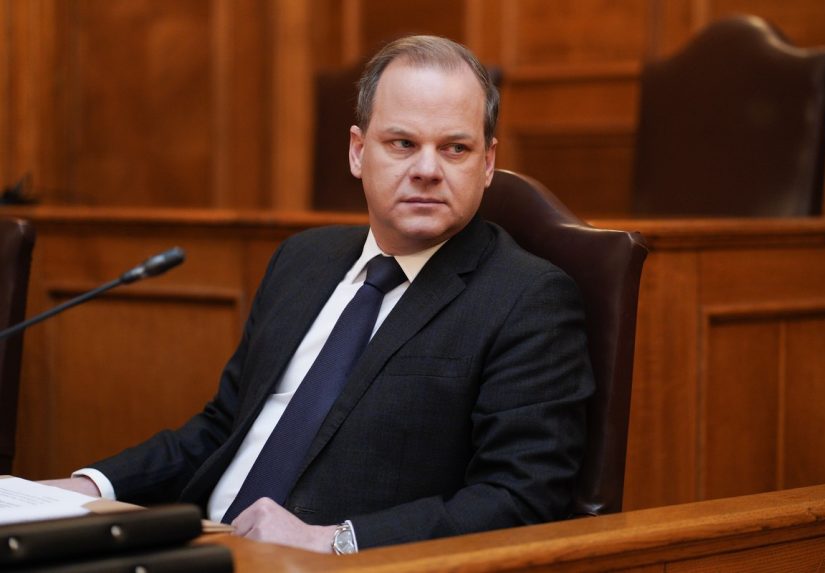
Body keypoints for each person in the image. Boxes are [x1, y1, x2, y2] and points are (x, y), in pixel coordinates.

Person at [45, 35, 594, 553]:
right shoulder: (302, 261)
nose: (427, 169)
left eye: (455, 148)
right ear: (358, 152)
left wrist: (333, 541)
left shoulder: (528, 300)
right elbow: (223, 426)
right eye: (403, 143)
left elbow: (521, 497)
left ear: (487, 162)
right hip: (201, 544)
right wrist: (90, 486)